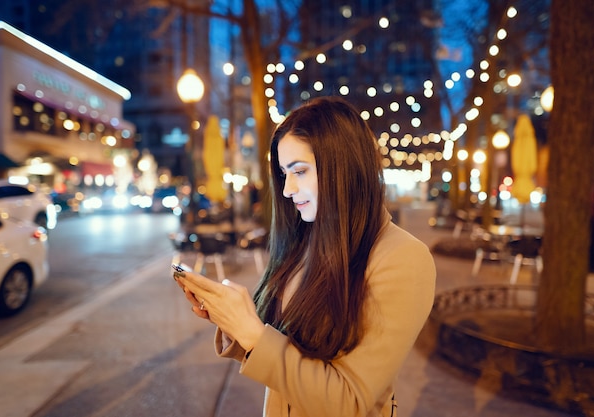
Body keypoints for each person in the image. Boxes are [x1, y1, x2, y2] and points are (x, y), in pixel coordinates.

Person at [173, 96, 436, 416]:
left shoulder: (403, 258)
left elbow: (349, 402)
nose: (287, 189)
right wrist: (232, 319)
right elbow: (286, 355)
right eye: (284, 174)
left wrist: (254, 336)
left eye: (299, 171)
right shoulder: (306, 240)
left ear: (344, 166)